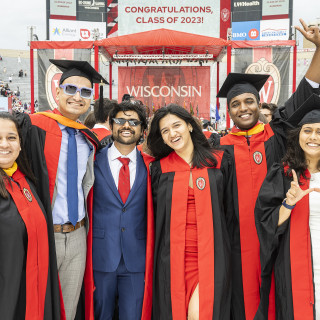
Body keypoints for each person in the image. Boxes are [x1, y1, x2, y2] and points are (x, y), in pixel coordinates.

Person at [211, 19, 320, 320]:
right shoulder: (219, 147)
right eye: (236, 104)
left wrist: (318, 50)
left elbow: (304, 93)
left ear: (259, 103)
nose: (243, 108)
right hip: (237, 240)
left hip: (280, 232)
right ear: (228, 111)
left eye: (249, 101)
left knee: (280, 297)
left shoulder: (277, 133)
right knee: (245, 302)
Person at [15, 59, 107, 320]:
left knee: (68, 307)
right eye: (71, 89)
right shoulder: (31, 127)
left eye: (85, 92)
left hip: (77, 235)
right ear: (57, 91)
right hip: (43, 235)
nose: (77, 97)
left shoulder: (88, 139)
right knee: (37, 304)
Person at [146, 104, 234, 319]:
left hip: (211, 257)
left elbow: (230, 212)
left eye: (176, 126)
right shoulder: (159, 169)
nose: (172, 133)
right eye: (165, 131)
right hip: (172, 260)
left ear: (190, 126)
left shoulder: (219, 161)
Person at [254, 94, 320, 319]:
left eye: (319, 131)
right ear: (298, 135)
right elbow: (265, 222)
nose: (313, 137)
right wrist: (288, 204)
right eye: (307, 130)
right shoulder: (284, 174)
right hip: (296, 266)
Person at [0, 112, 62, 319]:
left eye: (11, 138)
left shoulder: (24, 181)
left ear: (20, 144)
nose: (5, 145)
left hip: (31, 289)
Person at [92, 101, 149, 320]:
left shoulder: (150, 166)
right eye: (121, 120)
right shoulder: (93, 161)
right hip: (101, 255)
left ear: (142, 130)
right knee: (101, 315)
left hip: (137, 258)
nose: (127, 126)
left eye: (134, 122)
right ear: (110, 123)